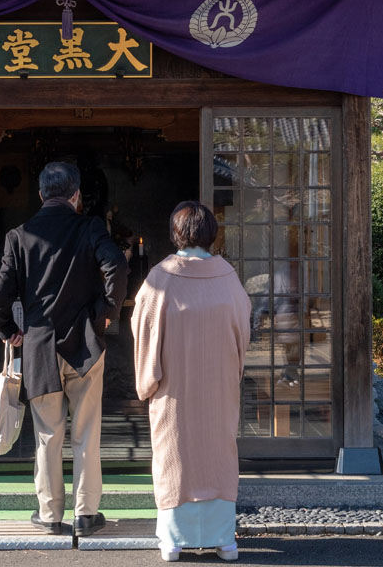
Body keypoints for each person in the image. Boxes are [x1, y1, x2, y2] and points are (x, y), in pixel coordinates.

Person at [0, 161, 129, 537]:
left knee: (48, 434)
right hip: (83, 343)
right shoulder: (89, 227)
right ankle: (86, 514)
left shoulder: (19, 236)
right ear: (76, 195)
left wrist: (9, 330)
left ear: (40, 195)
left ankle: (49, 515)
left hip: (39, 347)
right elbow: (116, 265)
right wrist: (105, 315)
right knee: (86, 430)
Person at [132, 201, 251, 562]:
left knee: (176, 459)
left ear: (176, 234)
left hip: (174, 392)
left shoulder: (160, 278)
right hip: (217, 390)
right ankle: (223, 540)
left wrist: (147, 382)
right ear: (212, 235)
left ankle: (173, 540)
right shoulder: (227, 277)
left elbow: (143, 328)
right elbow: (242, 331)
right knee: (217, 456)